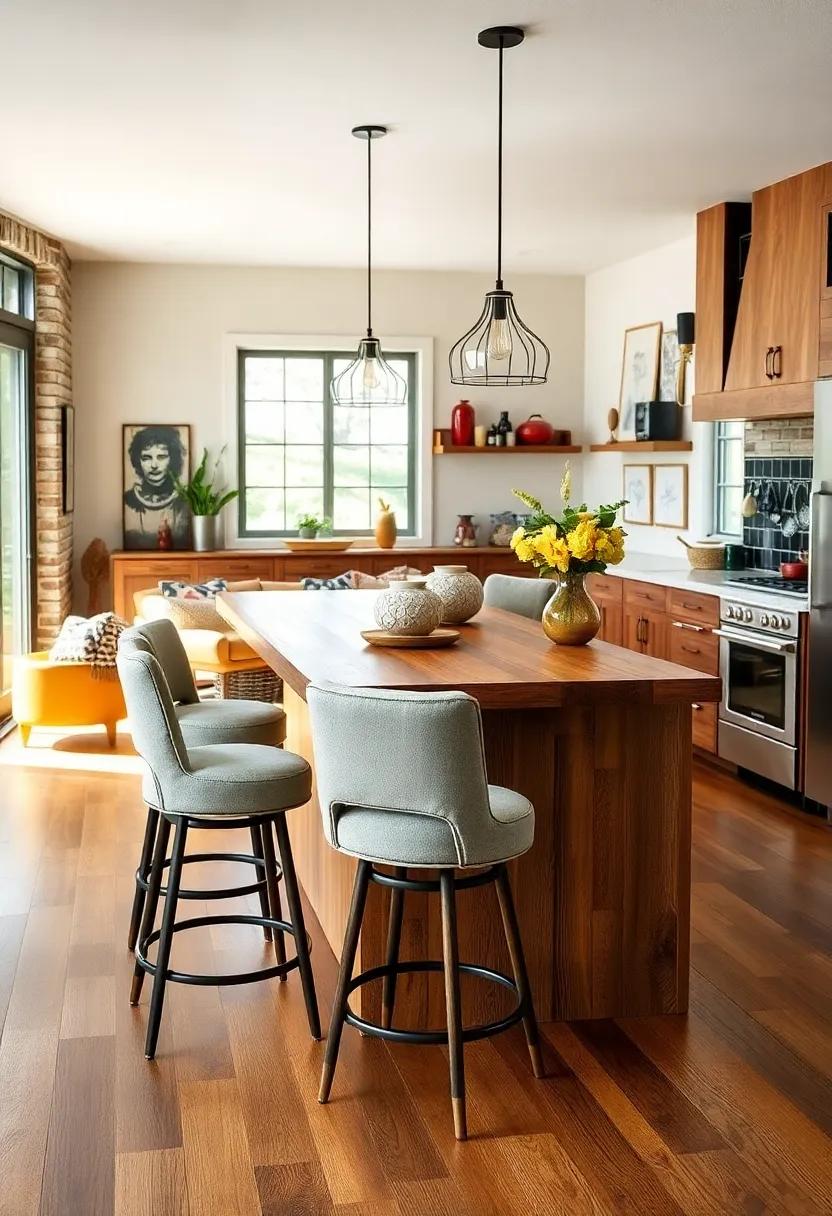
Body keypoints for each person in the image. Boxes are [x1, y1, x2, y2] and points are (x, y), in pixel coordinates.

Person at [123, 425, 191, 549]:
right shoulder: (127, 502)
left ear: (173, 459)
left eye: (161, 457)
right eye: (147, 458)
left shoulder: (185, 502)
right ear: (138, 461)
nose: (154, 465)